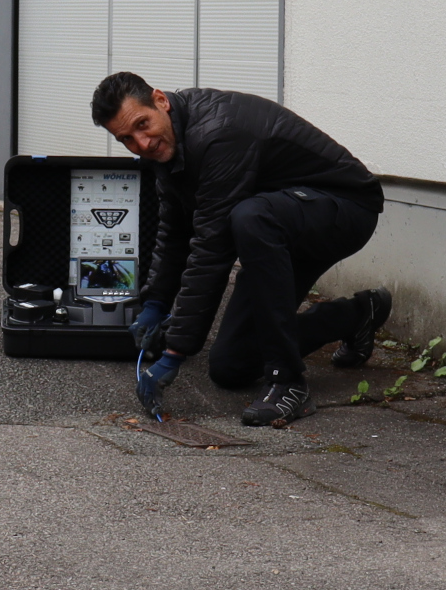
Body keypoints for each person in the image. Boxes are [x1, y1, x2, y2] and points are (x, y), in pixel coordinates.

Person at [91, 72, 393, 427]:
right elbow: (174, 231)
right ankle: (357, 314)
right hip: (277, 226)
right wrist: (155, 304)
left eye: (143, 125)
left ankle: (288, 382)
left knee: (249, 217)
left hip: (344, 209)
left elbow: (210, 249)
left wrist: (175, 352)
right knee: (231, 366)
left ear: (160, 100)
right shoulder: (169, 144)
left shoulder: (218, 133)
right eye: (126, 139)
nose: (141, 143)